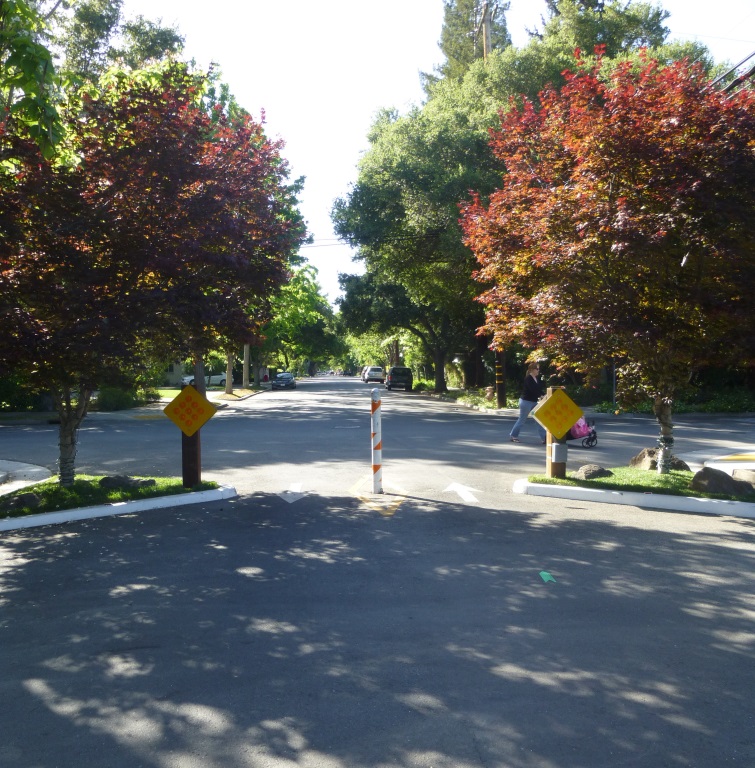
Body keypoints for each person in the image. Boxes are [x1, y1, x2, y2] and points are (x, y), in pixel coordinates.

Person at [510, 363, 547, 444]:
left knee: (539, 419)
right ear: (532, 370)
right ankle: (513, 436)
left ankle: (544, 438)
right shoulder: (528, 378)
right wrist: (541, 396)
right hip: (526, 402)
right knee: (522, 419)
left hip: (533, 402)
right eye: (537, 369)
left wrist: (544, 394)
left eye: (538, 369)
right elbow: (532, 390)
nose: (538, 371)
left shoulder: (536, 378)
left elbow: (538, 389)